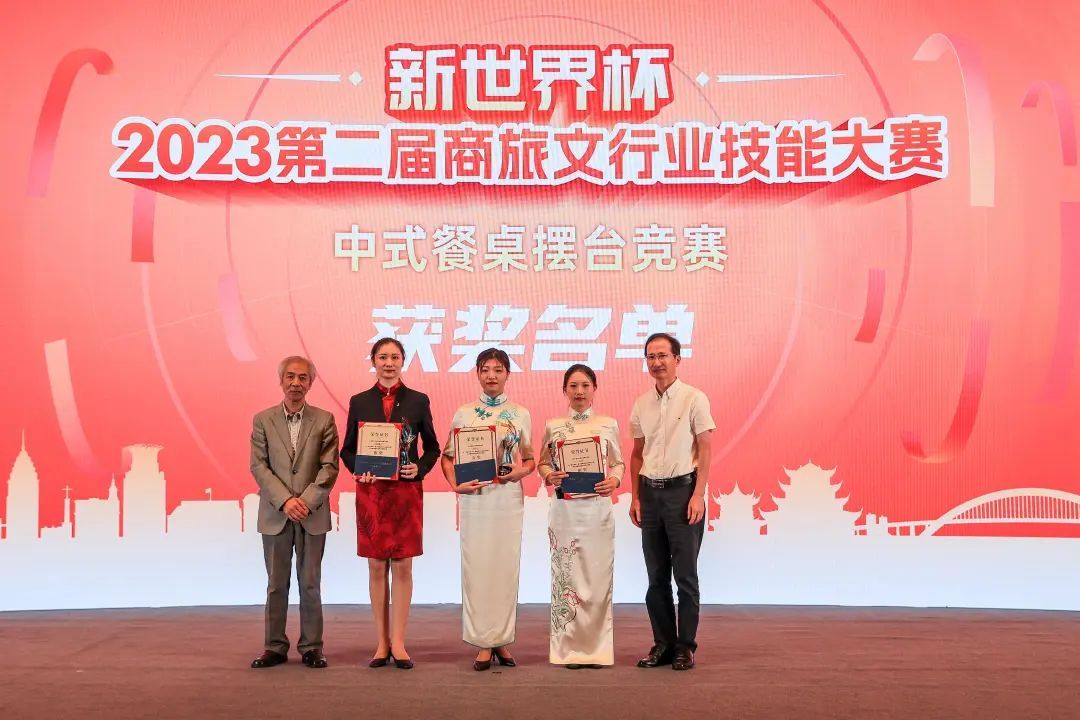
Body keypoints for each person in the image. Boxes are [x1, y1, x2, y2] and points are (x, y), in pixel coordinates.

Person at [340, 337, 439, 670]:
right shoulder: (359, 401)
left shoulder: (418, 400)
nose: (388, 363)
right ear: (373, 361)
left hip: (405, 493)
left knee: (403, 565)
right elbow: (347, 449)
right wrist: (359, 469)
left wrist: (419, 468)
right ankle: (381, 642)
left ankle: (399, 642)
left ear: (403, 361)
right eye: (382, 357)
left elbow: (433, 448)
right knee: (376, 565)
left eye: (395, 357)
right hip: (372, 494)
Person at [440, 348, 535, 671]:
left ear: (507, 373)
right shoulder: (464, 413)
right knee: (478, 568)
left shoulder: (520, 413)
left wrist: (520, 472)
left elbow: (530, 459)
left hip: (507, 499)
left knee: (505, 568)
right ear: (477, 374)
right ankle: (483, 642)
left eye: (498, 369)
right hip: (475, 499)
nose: (491, 375)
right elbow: (447, 457)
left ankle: (502, 640)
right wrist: (456, 485)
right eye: (485, 369)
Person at [628, 333, 715, 671]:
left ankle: (685, 647)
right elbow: (637, 454)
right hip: (650, 494)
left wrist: (699, 494)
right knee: (656, 576)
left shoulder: (694, 398)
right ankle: (663, 644)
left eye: (663, 355)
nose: (657, 362)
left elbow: (705, 448)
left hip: (683, 493)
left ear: (677, 359)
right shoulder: (641, 404)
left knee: (686, 576)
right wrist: (636, 497)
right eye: (651, 357)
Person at [249, 355, 340, 669]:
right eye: (290, 377)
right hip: (276, 514)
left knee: (310, 583)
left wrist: (307, 501)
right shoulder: (263, 420)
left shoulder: (324, 419)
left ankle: (312, 647)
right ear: (281, 380)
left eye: (302, 378)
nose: (296, 383)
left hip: (312, 515)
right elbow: (259, 466)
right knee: (276, 585)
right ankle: (274, 646)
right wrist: (286, 501)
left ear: (311, 383)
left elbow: (329, 467)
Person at [537, 364, 624, 669]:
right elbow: (543, 463)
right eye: (573, 386)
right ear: (565, 390)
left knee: (598, 580)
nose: (579, 392)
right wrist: (550, 476)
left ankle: (597, 650)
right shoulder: (553, 426)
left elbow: (618, 463)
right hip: (565, 512)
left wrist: (614, 480)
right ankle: (569, 649)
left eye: (585, 385)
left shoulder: (608, 424)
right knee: (567, 579)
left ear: (594, 389)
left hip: (598, 510)